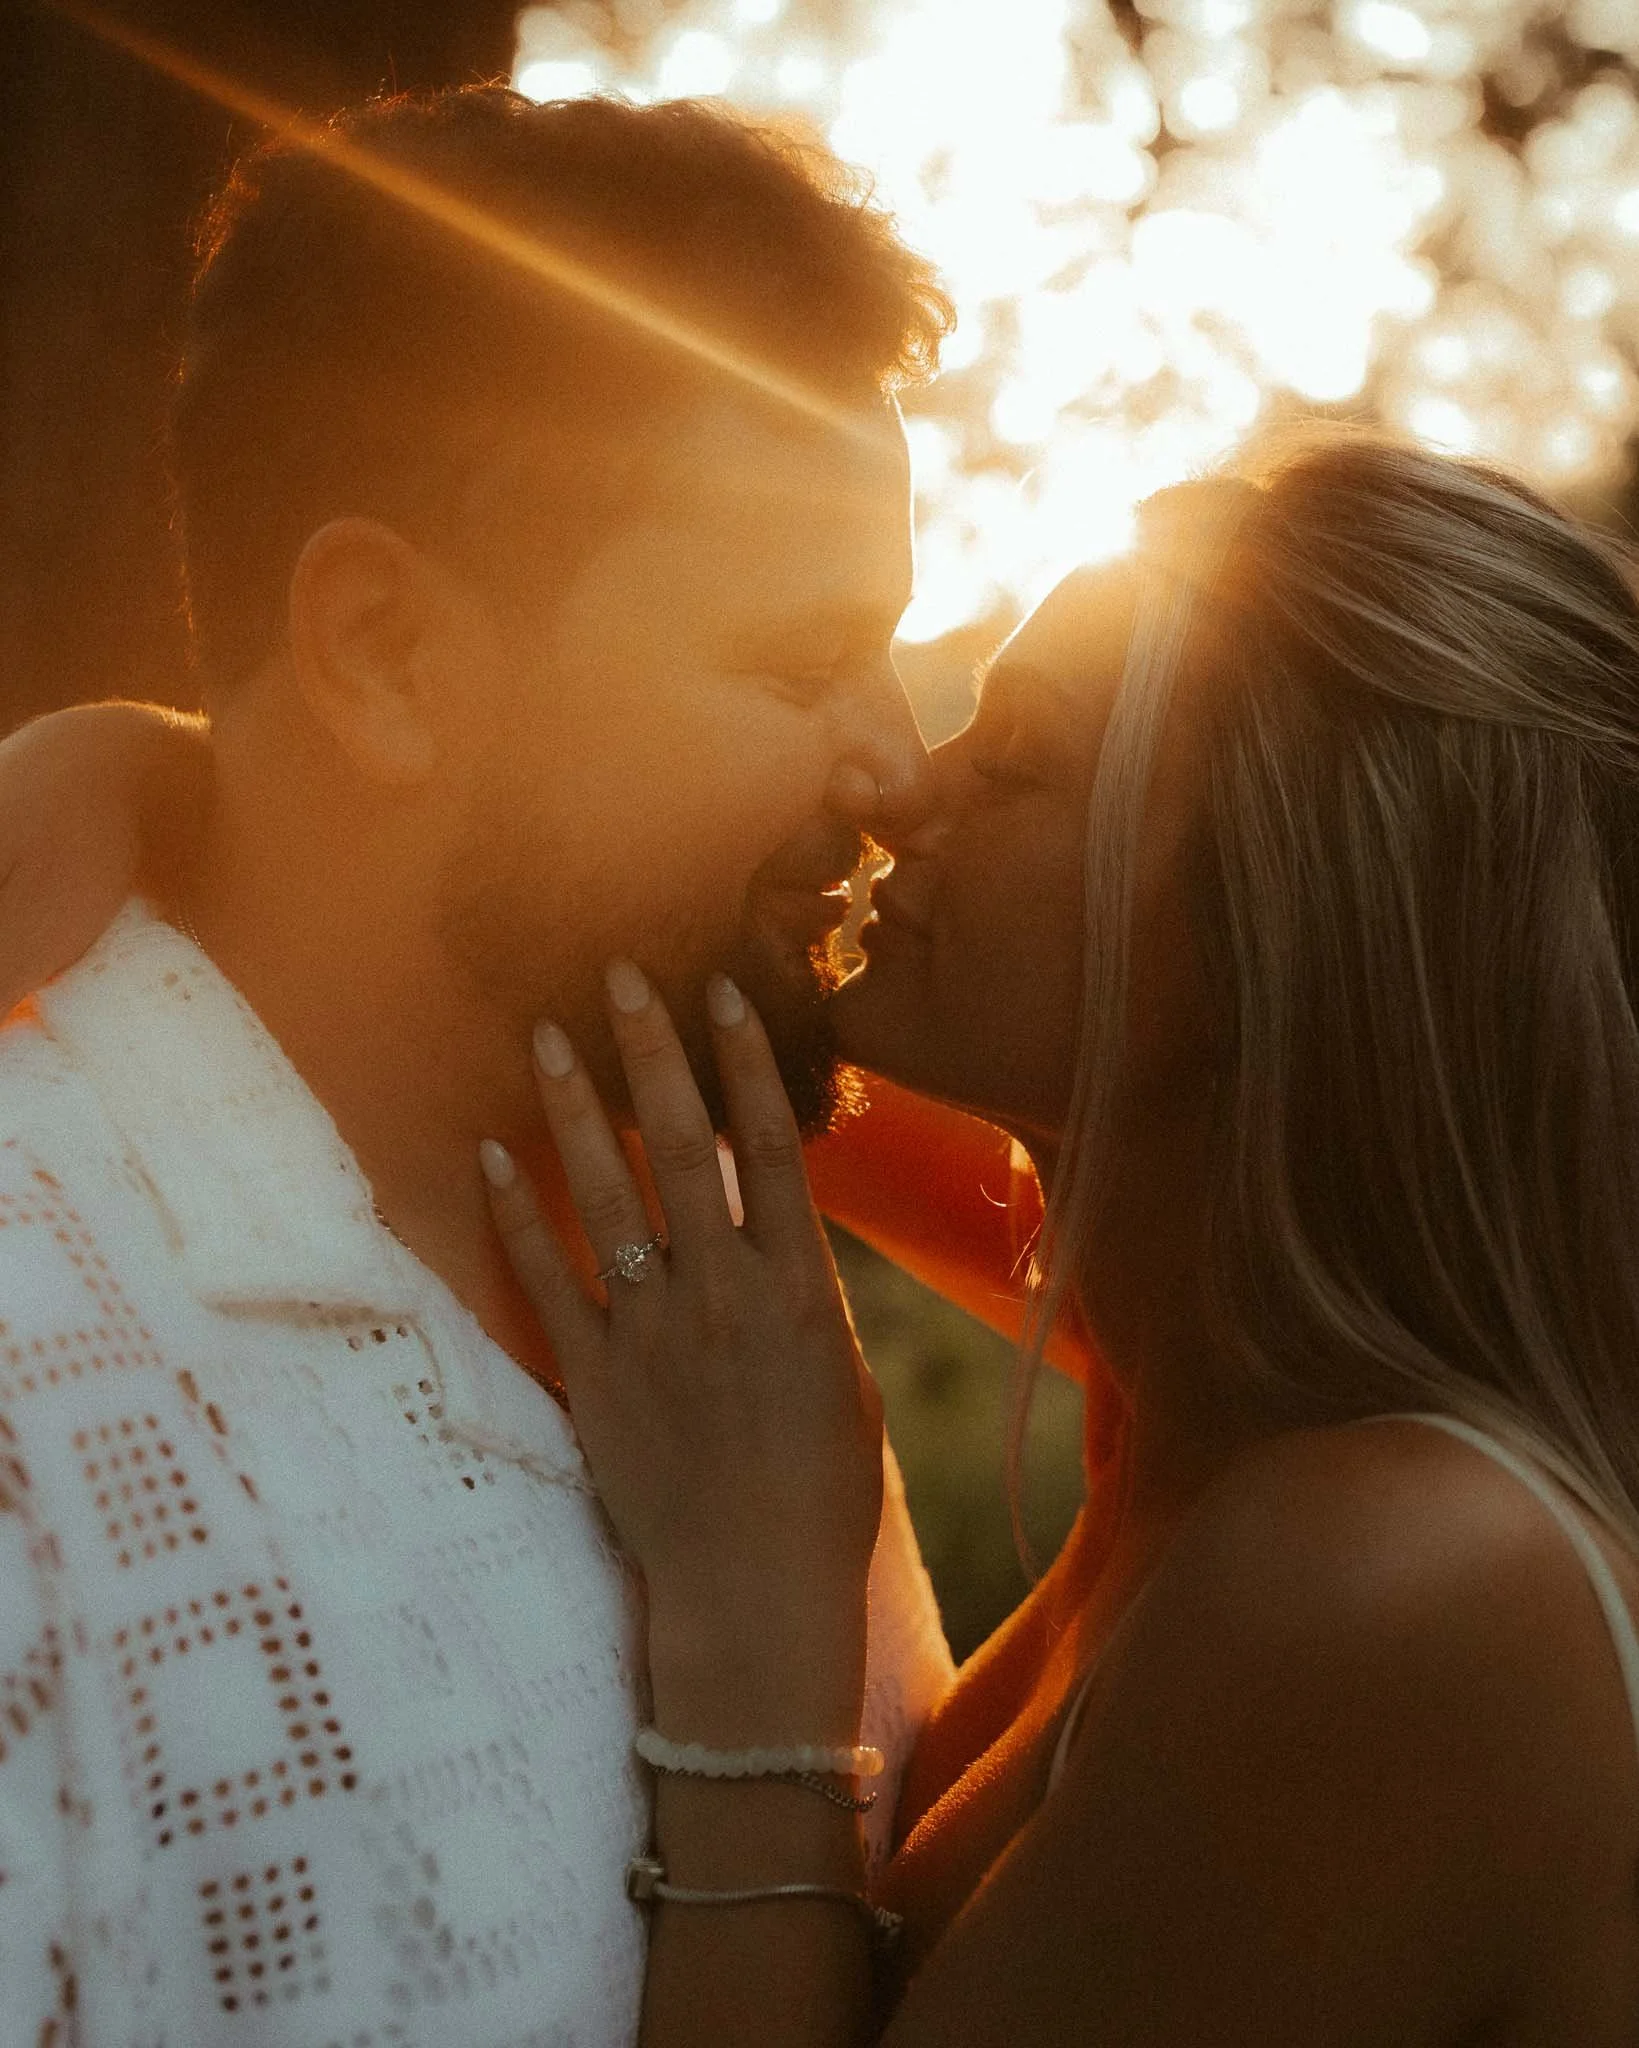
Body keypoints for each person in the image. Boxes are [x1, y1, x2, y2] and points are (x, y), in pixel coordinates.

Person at [24, 428, 1639, 2042]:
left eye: (1017, 760)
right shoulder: (1224, 1380)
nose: (909, 781)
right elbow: (668, 991)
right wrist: (188, 779)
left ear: (1265, 932)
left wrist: (763, 1649)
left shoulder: (1395, 1582)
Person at [0, 86, 960, 2043]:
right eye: (796, 661)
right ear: (386, 653)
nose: (897, 764)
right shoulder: (41, 1403)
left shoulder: (719, 1260)